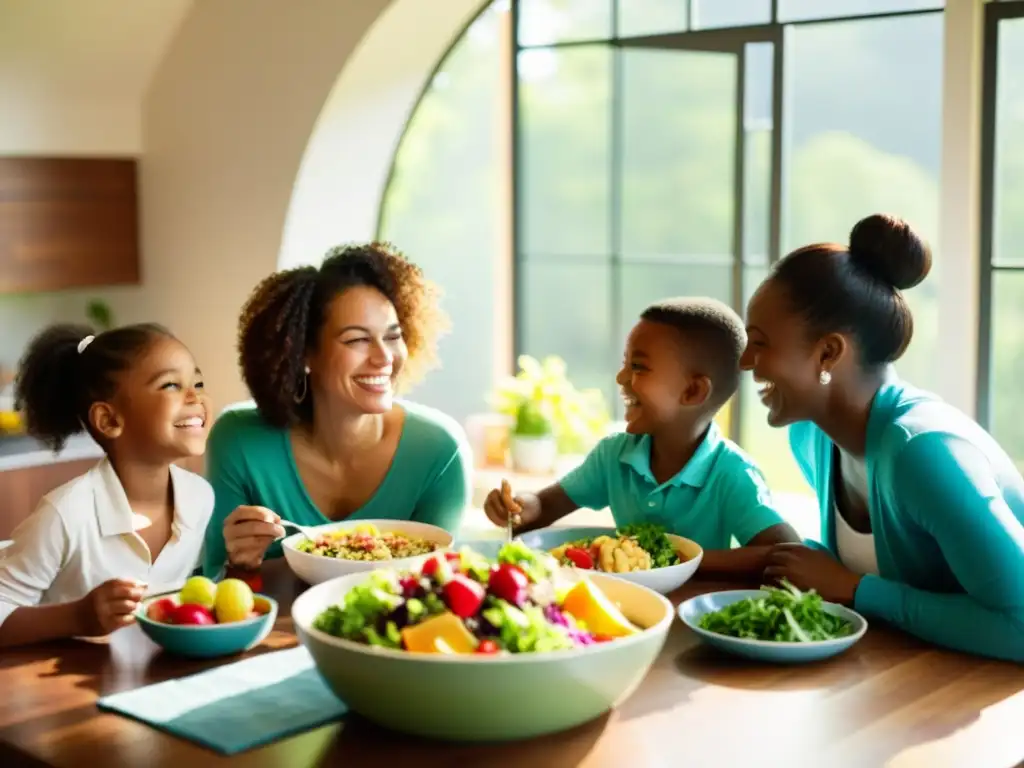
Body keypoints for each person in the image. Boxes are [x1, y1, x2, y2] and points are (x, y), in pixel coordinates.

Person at [742, 212, 1024, 662]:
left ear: (828, 352)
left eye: (760, 343)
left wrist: (856, 590)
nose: (745, 362)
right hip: (911, 681)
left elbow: (1020, 625)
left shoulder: (924, 453)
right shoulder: (810, 436)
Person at [202, 242, 472, 578]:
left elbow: (437, 586)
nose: (384, 357)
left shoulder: (438, 452)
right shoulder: (239, 442)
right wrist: (239, 563)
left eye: (392, 336)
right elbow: (212, 585)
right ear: (303, 354)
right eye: (357, 340)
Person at [485, 298, 800, 578]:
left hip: (690, 617)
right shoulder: (614, 456)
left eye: (638, 367)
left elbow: (787, 553)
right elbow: (544, 506)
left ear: (693, 391)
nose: (621, 378)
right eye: (625, 364)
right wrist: (518, 507)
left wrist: (681, 561)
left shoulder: (731, 473)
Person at [0, 323, 213, 649]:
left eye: (197, 382)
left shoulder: (199, 497)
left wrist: (242, 565)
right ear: (109, 420)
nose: (195, 396)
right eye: (171, 385)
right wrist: (78, 617)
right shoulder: (64, 515)